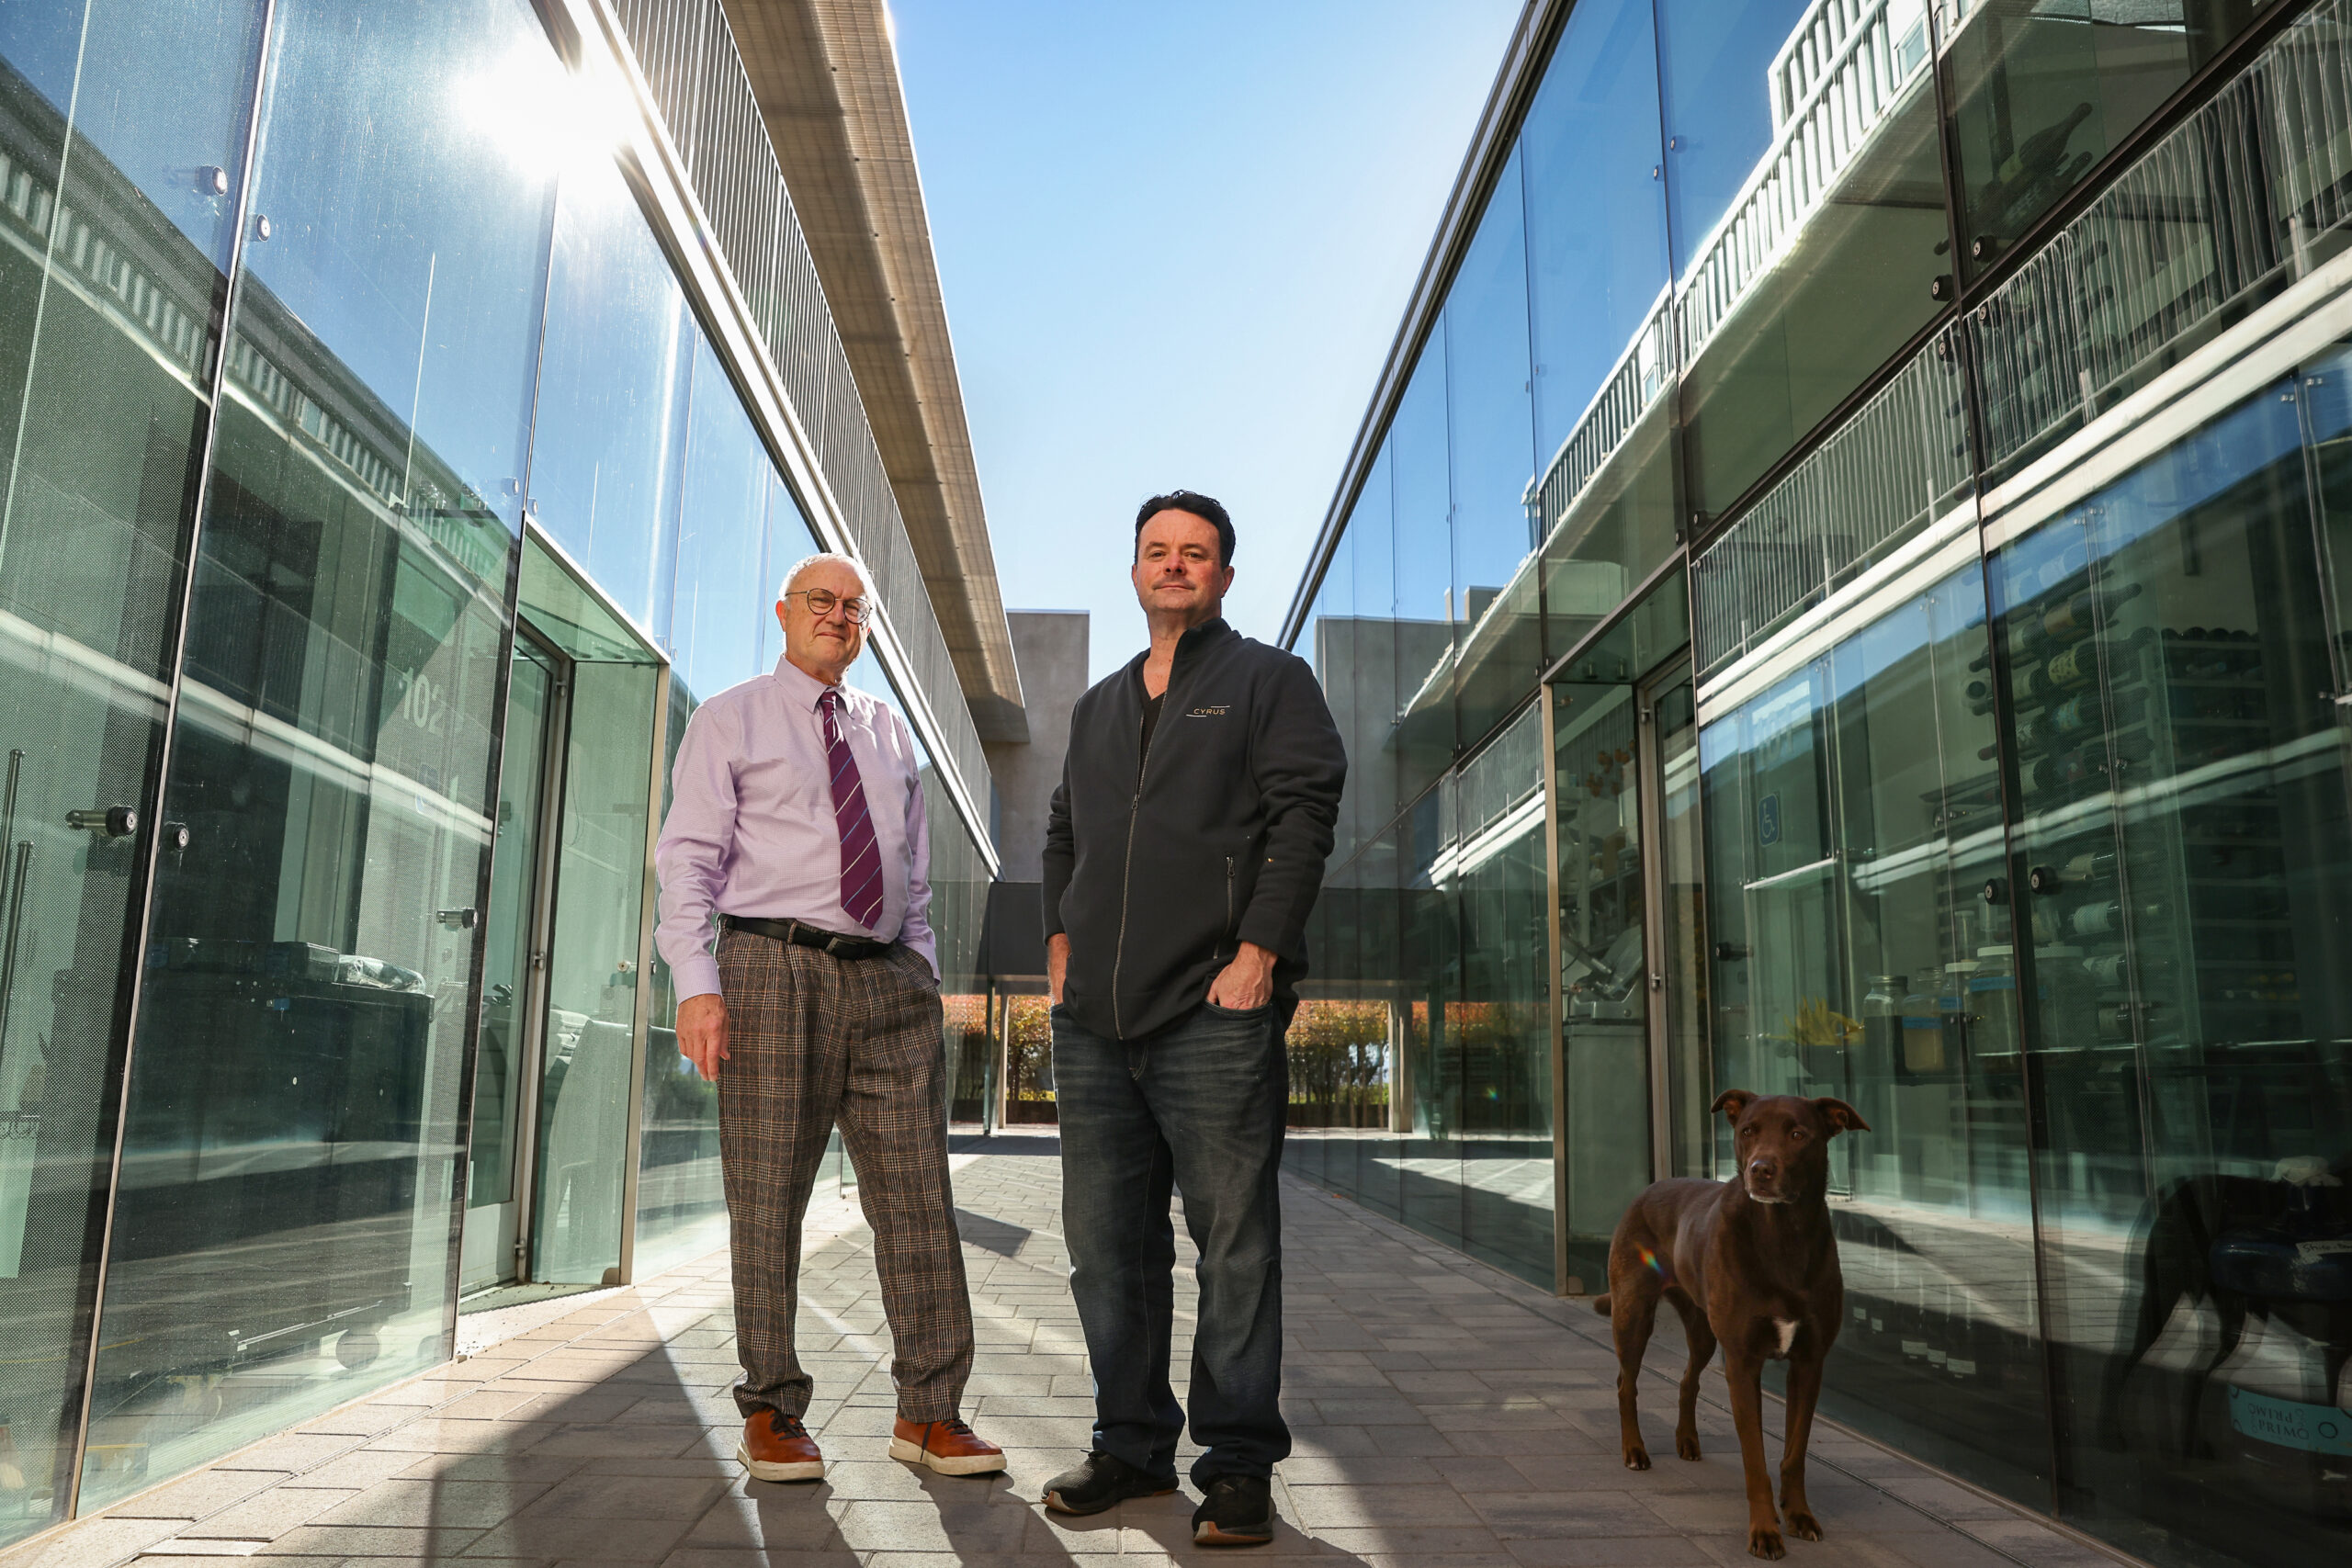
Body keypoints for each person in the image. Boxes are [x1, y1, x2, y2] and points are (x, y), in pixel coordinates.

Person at [654, 551, 1002, 1483]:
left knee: (919, 1201)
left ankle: (929, 1414)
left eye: (855, 608)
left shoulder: (889, 733)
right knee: (768, 1198)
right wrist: (697, 982)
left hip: (887, 982)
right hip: (772, 967)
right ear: (783, 612)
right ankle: (771, 1407)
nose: (839, 617)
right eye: (822, 600)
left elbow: (914, 878)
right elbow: (686, 857)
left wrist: (921, 975)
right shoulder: (729, 717)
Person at [1038, 491, 1346, 1547]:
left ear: (1222, 575)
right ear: (1133, 572)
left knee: (1234, 1250)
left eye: (1195, 554)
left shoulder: (1268, 681)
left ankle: (1238, 1466)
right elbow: (1063, 833)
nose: (1174, 566)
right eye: (1156, 552)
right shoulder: (1095, 707)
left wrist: (1257, 954)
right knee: (1103, 1250)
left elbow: (1305, 816)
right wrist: (1060, 942)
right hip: (1094, 1025)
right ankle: (1129, 1448)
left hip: (1213, 1011)